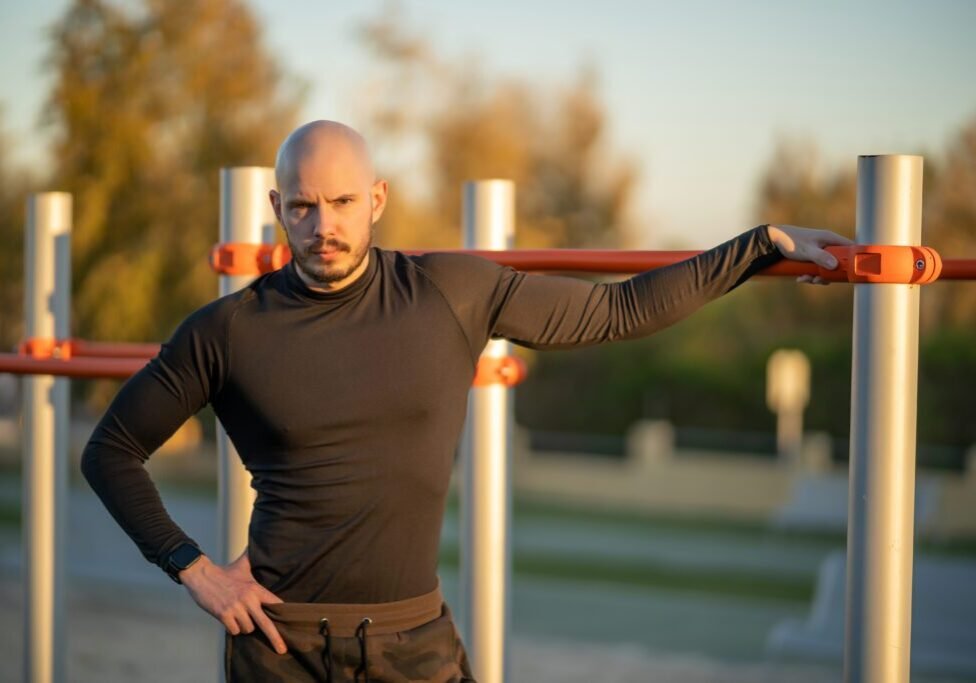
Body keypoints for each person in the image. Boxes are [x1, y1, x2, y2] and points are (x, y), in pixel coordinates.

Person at [81, 120, 853, 682]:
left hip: (411, 642)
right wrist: (194, 569)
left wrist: (756, 247)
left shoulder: (449, 292)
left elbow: (618, 309)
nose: (325, 227)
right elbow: (111, 451)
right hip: (278, 651)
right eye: (304, 207)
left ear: (377, 198)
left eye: (343, 202)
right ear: (279, 207)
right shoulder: (228, 330)